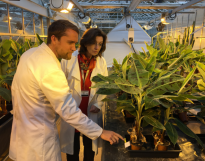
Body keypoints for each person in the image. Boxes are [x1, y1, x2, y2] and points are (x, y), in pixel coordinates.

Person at [9, 20, 123, 161]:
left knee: (87, 148)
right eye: (70, 43)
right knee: (72, 146)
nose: (74, 48)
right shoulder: (50, 67)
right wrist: (100, 132)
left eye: (75, 43)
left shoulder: (29, 55)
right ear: (54, 39)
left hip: (21, 141)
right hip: (40, 147)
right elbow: (67, 109)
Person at [60, 28, 108, 161]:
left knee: (89, 147)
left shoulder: (101, 62)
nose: (97, 47)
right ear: (86, 43)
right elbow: (60, 83)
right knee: (73, 148)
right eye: (94, 43)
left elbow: (104, 86)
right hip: (73, 106)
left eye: (100, 44)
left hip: (91, 107)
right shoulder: (69, 59)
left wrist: (98, 103)